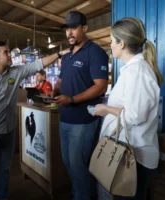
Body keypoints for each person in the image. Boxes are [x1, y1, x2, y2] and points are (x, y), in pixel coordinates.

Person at [0, 40, 69, 200]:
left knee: (5, 168)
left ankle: (1, 195)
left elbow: (38, 64)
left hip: (9, 131)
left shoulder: (15, 72)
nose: (10, 55)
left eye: (9, 52)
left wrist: (58, 54)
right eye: (6, 52)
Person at [93, 17, 164, 200]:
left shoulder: (138, 71)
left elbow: (134, 116)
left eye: (111, 41)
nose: (110, 45)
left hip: (134, 159)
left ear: (122, 44)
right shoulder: (132, 70)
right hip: (128, 154)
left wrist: (106, 109)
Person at [52, 11, 109, 200]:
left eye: (73, 28)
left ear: (84, 28)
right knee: (69, 164)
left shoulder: (95, 52)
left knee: (78, 166)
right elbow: (61, 81)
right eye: (67, 28)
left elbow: (101, 87)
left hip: (83, 120)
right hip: (65, 118)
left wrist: (72, 99)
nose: (69, 33)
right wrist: (54, 91)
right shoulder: (67, 56)